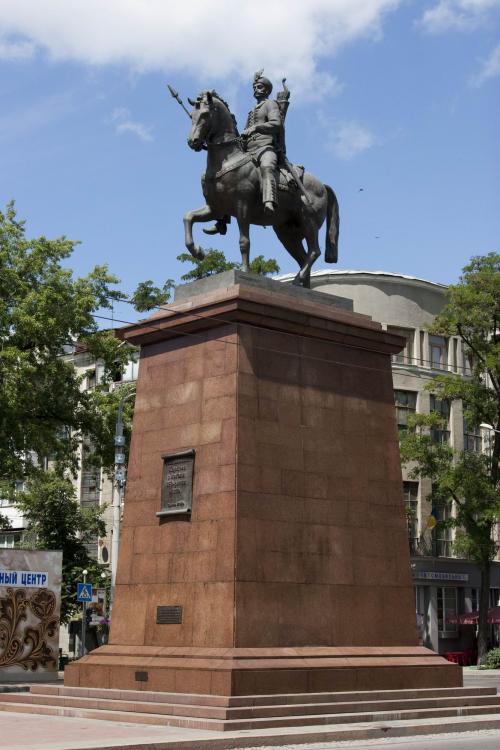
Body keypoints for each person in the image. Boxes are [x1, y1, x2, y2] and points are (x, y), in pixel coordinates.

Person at [241, 71, 282, 216]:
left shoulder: (270, 104)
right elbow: (246, 132)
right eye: (254, 87)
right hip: (248, 151)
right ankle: (222, 219)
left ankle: (269, 201)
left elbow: (276, 124)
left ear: (266, 89)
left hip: (265, 148)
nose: (255, 90)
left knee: (266, 167)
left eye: (258, 87)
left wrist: (256, 127)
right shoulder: (251, 111)